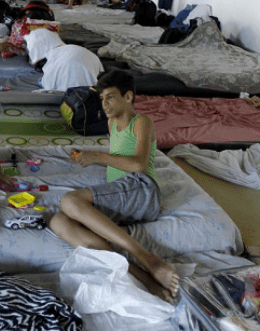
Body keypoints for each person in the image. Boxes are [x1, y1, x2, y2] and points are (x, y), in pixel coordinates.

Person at [49, 70, 179, 301]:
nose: (104, 104)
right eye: (101, 99)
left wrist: (97, 157)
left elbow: (138, 164)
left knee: (70, 201)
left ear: (128, 97)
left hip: (143, 189)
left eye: (110, 97)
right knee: (59, 220)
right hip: (124, 194)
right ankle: (143, 277)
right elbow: (118, 160)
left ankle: (145, 256)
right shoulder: (111, 123)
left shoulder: (141, 122)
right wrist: (86, 158)